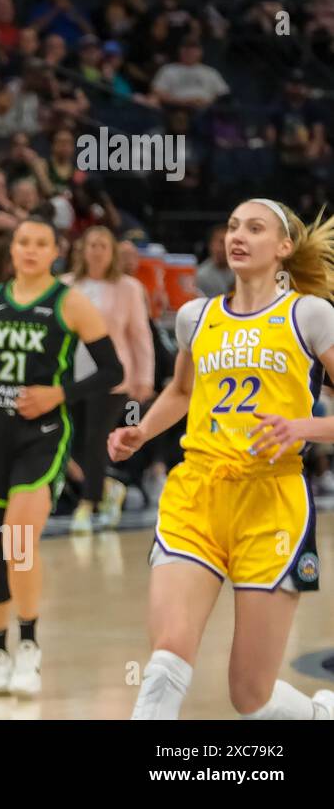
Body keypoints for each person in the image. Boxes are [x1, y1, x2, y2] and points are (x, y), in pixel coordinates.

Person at [115, 199, 334, 720]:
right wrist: (141, 432)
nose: (238, 235)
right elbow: (182, 391)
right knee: (166, 660)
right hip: (197, 493)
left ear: (283, 248)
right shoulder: (196, 315)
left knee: (249, 696)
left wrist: (304, 427)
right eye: (233, 226)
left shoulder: (310, 314)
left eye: (254, 228)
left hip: (272, 501)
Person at [0, 216, 121, 699]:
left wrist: (58, 394)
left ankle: (29, 645)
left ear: (56, 250)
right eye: (23, 242)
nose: (30, 250)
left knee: (19, 538)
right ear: (12, 251)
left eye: (40, 243)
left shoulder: (70, 302)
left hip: (43, 434)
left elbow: (113, 369)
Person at [64, 225, 154, 533]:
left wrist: (145, 377)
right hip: (72, 374)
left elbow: (140, 334)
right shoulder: (66, 285)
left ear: (112, 251)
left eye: (103, 245)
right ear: (82, 249)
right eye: (92, 244)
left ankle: (86, 506)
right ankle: (108, 489)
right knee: (71, 443)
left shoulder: (128, 287)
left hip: (113, 376)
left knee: (94, 440)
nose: (97, 250)